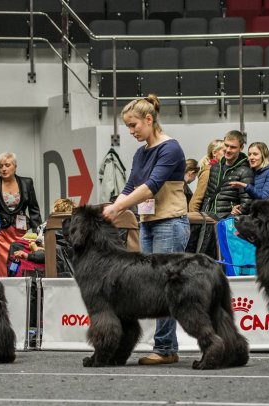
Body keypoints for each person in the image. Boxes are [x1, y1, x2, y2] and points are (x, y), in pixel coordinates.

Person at [101, 94, 189, 366]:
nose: (130, 131)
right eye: (127, 126)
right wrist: (109, 208)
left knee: (166, 287)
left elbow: (150, 186)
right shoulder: (141, 153)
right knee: (153, 287)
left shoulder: (170, 148)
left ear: (149, 120)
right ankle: (166, 347)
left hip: (170, 223)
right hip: (149, 224)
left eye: (133, 125)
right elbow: (130, 188)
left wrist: (116, 210)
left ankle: (164, 348)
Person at [0, 152, 43, 277]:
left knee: (20, 263)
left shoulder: (27, 183)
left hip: (22, 233)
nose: (3, 169)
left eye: (7, 165)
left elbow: (34, 210)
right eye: (0, 166)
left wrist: (39, 236)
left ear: (15, 166)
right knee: (0, 266)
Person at [199, 130, 254, 218]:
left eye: (233, 147)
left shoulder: (245, 171)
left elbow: (247, 202)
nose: (228, 150)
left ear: (241, 148)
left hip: (227, 222)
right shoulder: (215, 168)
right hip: (208, 219)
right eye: (226, 145)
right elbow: (208, 196)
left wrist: (231, 216)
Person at [190, 139, 224, 212]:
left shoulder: (223, 170)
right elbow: (195, 201)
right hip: (208, 218)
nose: (227, 153)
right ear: (214, 153)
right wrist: (195, 221)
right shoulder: (208, 171)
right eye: (224, 151)